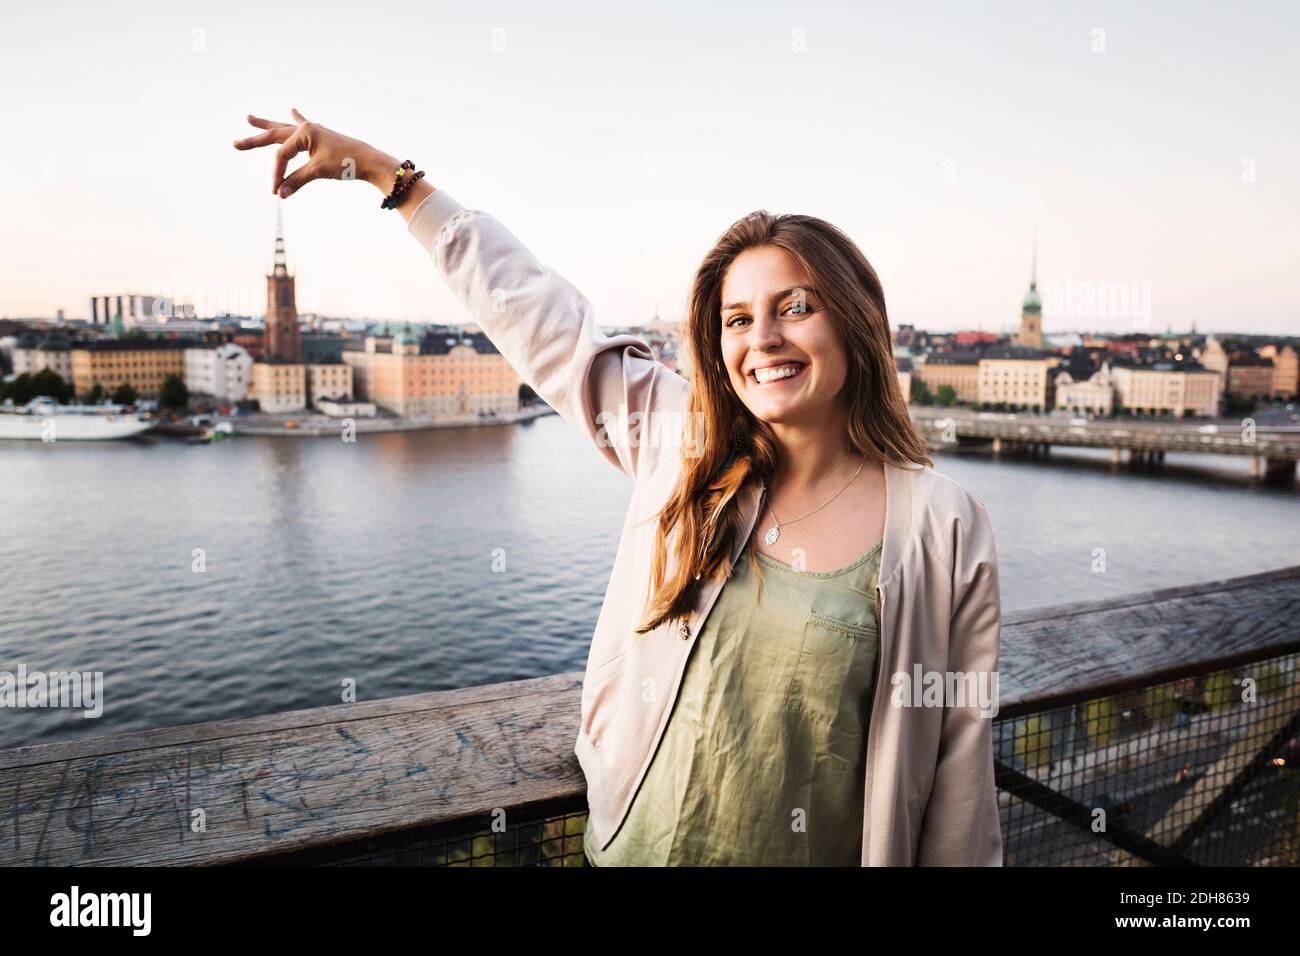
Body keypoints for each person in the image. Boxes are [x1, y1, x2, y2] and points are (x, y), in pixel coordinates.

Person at [233, 110, 1004, 866]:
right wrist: (387, 175)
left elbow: (957, 775)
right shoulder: (681, 440)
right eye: (737, 319)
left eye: (795, 307)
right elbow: (542, 316)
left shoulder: (941, 528)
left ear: (855, 321)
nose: (763, 338)